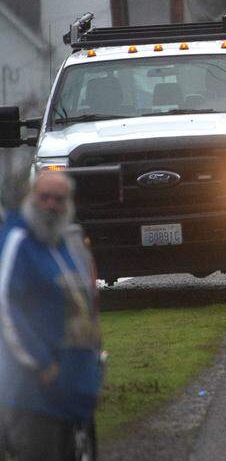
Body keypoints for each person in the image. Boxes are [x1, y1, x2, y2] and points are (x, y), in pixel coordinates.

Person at [0, 171, 102, 461]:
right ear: (30, 198)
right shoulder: (18, 241)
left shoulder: (60, 244)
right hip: (33, 395)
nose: (51, 205)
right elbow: (5, 306)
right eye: (44, 197)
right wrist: (41, 363)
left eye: (59, 199)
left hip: (68, 393)